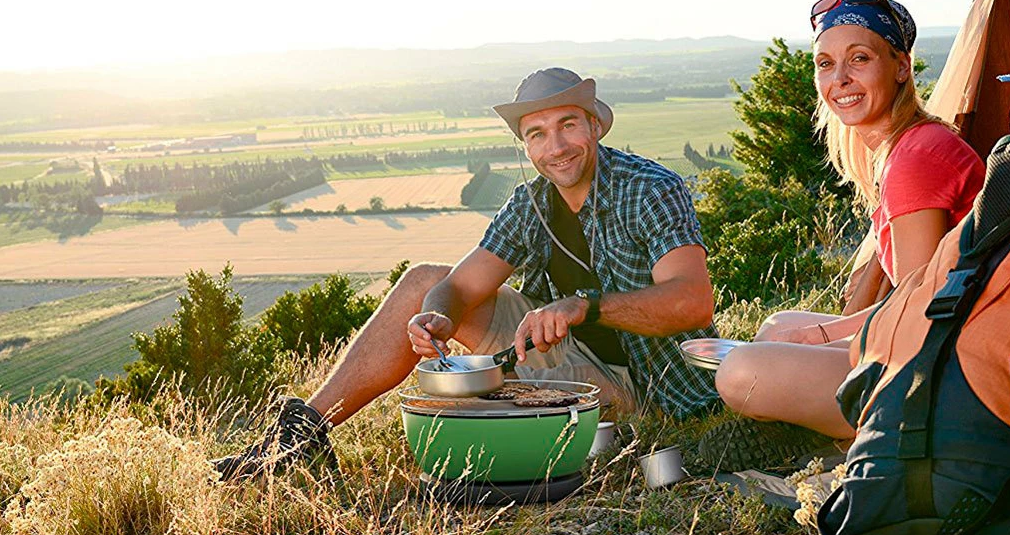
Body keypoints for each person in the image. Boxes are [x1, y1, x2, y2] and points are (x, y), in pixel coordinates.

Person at [213, 67, 720, 479]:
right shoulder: (530, 204)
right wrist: (438, 317)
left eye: (567, 125)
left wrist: (582, 306)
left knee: (488, 404)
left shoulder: (649, 188)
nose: (556, 147)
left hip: (645, 383)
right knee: (422, 282)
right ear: (526, 146)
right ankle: (302, 433)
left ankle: (510, 432)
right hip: (562, 354)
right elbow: (456, 286)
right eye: (537, 134)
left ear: (594, 126)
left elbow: (692, 303)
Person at [710, 0, 984, 451]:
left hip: (947, 368)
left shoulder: (917, 157)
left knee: (740, 372)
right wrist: (814, 336)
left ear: (901, 67)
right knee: (776, 326)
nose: (840, 79)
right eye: (825, 64)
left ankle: (856, 435)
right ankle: (818, 424)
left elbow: (917, 308)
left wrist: (822, 334)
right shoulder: (902, 149)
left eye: (859, 58)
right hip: (935, 338)